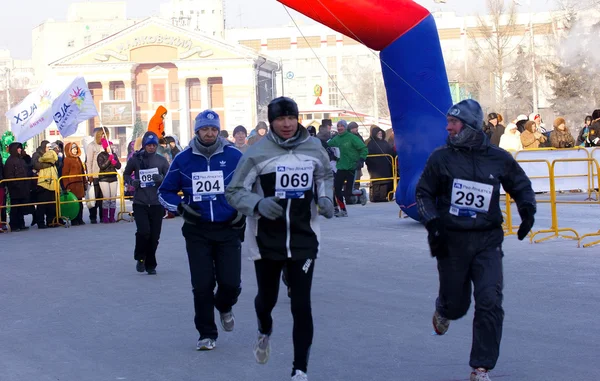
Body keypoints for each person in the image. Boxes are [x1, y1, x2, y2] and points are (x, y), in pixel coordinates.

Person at [416, 99, 536, 381]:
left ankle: (481, 367)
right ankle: (444, 308)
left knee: (490, 301)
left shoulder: (497, 157)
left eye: (453, 123)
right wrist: (433, 224)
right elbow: (422, 194)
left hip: (487, 240)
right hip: (452, 241)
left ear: (469, 126)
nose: (448, 128)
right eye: (448, 122)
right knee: (457, 306)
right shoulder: (440, 158)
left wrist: (527, 210)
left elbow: (520, 184)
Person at [226, 97, 334, 381]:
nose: (287, 124)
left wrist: (325, 197)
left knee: (301, 304)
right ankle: (264, 330)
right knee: (267, 300)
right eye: (280, 119)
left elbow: (324, 175)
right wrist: (257, 205)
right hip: (267, 239)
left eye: (291, 118)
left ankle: (300, 370)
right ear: (271, 122)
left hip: (304, 237)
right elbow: (234, 191)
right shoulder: (257, 153)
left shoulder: (314, 147)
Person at [158, 110, 245, 351]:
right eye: (205, 129)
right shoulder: (183, 159)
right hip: (197, 230)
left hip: (228, 229)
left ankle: (225, 306)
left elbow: (250, 185)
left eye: (214, 129)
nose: (209, 133)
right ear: (197, 131)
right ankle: (207, 334)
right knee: (202, 285)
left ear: (218, 131)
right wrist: (181, 208)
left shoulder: (235, 156)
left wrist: (241, 211)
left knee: (230, 284)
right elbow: (164, 192)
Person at [124, 131, 170, 275]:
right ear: (144, 145)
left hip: (156, 203)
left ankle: (151, 264)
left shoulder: (162, 161)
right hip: (140, 202)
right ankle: (140, 257)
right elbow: (126, 174)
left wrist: (161, 179)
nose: (151, 148)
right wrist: (132, 182)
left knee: (154, 236)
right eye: (149, 145)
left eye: (154, 145)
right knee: (144, 232)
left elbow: (170, 178)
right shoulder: (136, 159)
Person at [327, 120, 368, 217]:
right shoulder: (336, 139)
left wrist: (361, 159)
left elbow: (364, 148)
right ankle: (343, 210)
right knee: (337, 190)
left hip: (351, 167)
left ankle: (361, 193)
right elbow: (327, 145)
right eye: (338, 126)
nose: (340, 128)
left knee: (349, 192)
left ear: (345, 127)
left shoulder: (352, 138)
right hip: (340, 167)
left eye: (342, 126)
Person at [3, 142, 31, 231]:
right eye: (18, 148)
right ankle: (14, 225)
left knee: (21, 207)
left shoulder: (21, 159)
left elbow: (26, 169)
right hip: (15, 188)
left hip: (23, 186)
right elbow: (9, 175)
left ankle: (21, 224)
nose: (20, 150)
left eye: (20, 148)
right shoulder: (10, 161)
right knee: (15, 207)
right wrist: (16, 185)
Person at [86, 128, 110, 224]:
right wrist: (90, 174)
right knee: (94, 197)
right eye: (102, 135)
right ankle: (93, 216)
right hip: (95, 174)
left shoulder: (107, 145)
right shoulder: (91, 146)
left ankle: (102, 216)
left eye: (105, 135)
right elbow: (89, 161)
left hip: (105, 174)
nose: (103, 137)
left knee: (103, 197)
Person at [365, 126, 395, 202]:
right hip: (375, 168)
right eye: (378, 133)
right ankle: (376, 197)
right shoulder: (371, 144)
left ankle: (383, 196)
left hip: (385, 166)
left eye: (381, 133)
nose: (380, 134)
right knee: (377, 183)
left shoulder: (385, 143)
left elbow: (390, 153)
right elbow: (368, 156)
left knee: (385, 182)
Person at [61, 143, 87, 226]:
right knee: (73, 204)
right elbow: (65, 174)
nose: (75, 151)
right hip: (71, 185)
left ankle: (80, 219)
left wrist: (85, 182)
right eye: (73, 149)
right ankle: (74, 219)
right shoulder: (67, 160)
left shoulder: (78, 159)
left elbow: (82, 172)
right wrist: (66, 186)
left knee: (80, 203)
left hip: (79, 185)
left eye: (76, 149)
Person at [97, 138, 122, 223]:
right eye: (108, 146)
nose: (110, 147)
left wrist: (115, 163)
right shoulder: (101, 155)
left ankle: (112, 216)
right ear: (105, 147)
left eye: (111, 146)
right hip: (104, 178)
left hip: (113, 177)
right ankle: (105, 217)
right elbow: (102, 166)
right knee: (106, 198)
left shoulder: (114, 154)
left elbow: (119, 166)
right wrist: (109, 160)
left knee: (113, 198)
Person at [36, 144, 59, 229]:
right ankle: (41, 222)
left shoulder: (51, 161)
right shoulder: (48, 156)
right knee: (42, 206)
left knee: (51, 205)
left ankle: (50, 221)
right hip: (44, 184)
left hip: (51, 184)